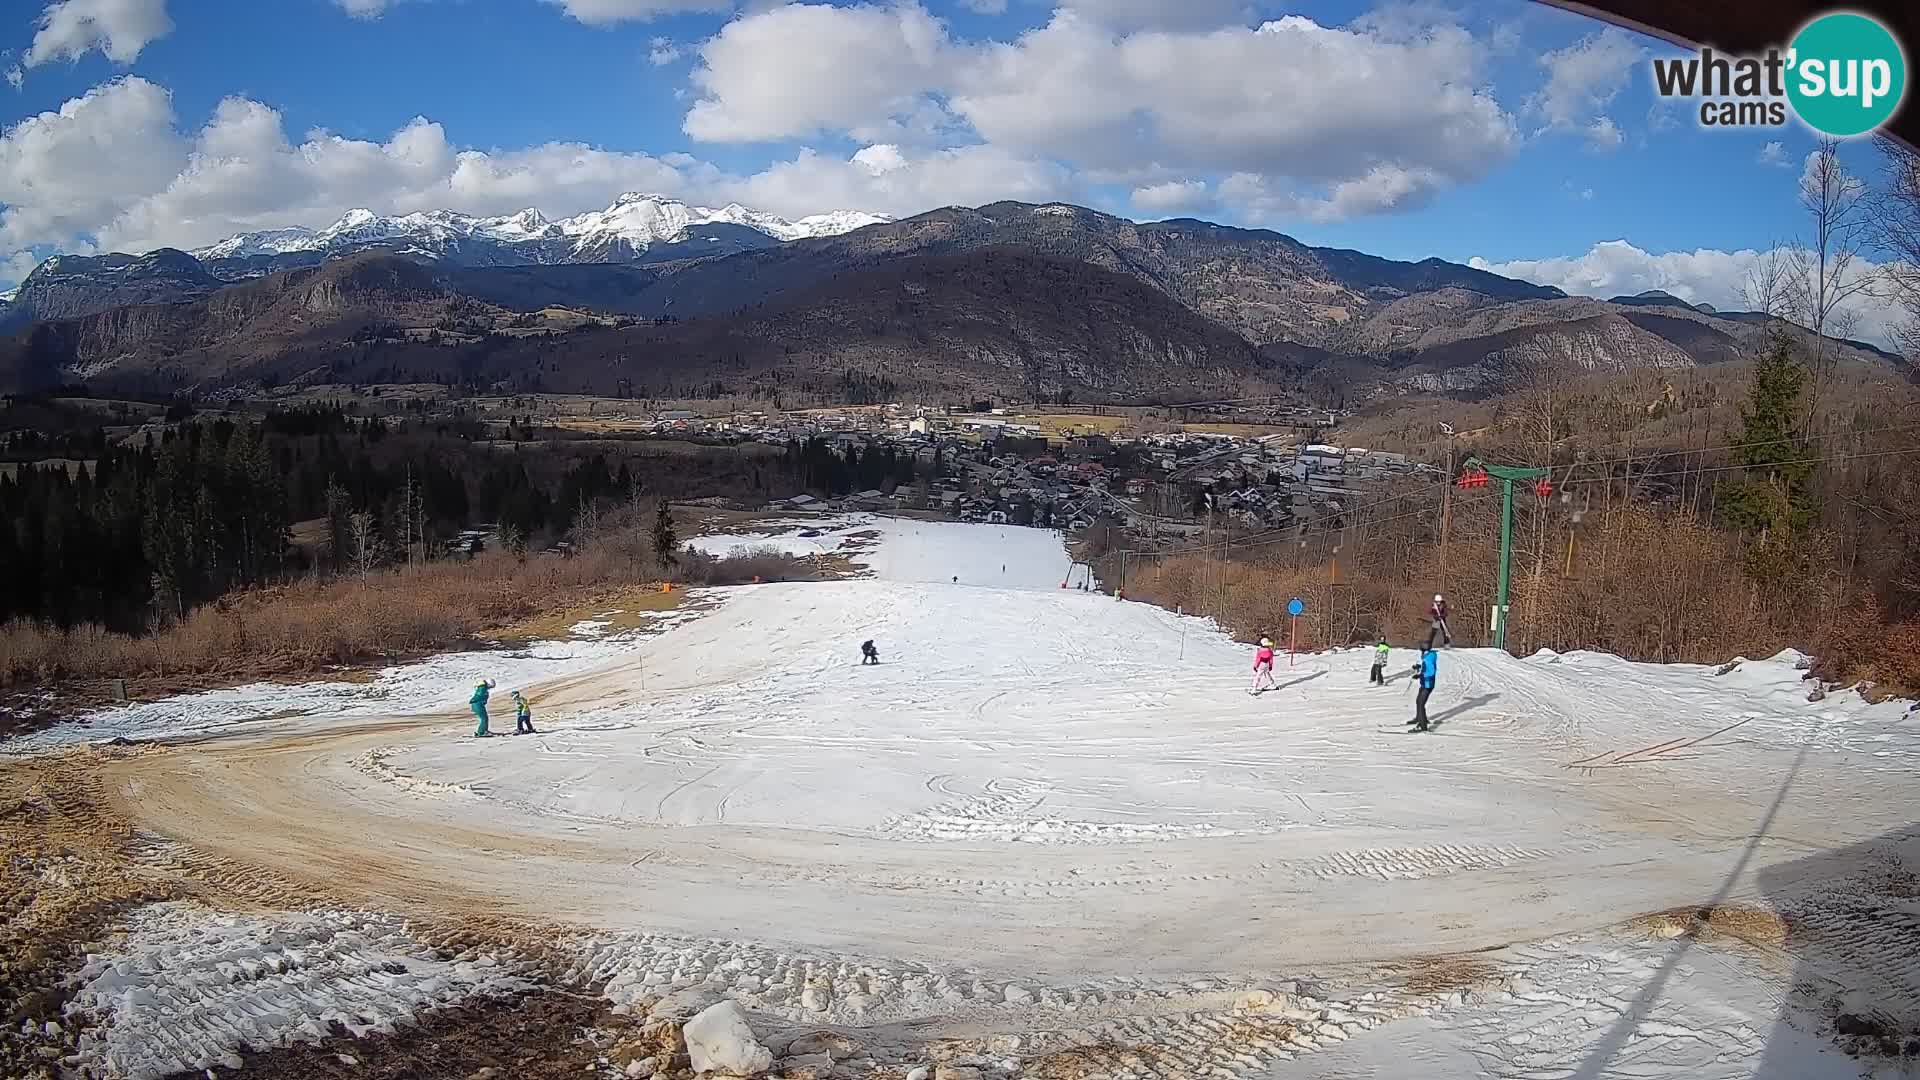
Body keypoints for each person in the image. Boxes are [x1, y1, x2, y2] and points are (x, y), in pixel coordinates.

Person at [1410, 646, 1438, 731]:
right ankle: (1420, 718)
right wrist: (1418, 667)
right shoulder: (1427, 656)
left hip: (1428, 684)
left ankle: (1423, 726)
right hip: (1424, 683)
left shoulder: (1429, 657)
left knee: (1421, 703)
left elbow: (1431, 671)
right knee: (1418, 701)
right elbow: (1425, 667)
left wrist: (1420, 675)